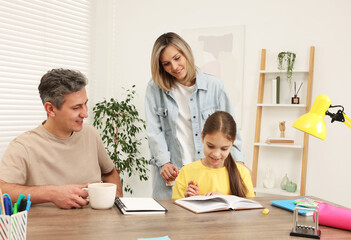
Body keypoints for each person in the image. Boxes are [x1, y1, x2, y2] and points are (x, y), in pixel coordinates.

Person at [0, 68, 123, 209]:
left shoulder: (91, 135)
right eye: (76, 107)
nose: (85, 113)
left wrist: (117, 200)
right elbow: (2, 191)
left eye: (85, 104)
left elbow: (109, 173)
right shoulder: (23, 146)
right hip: (49, 229)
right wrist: (51, 193)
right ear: (50, 109)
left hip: (94, 227)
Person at [145, 32, 244, 199]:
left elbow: (230, 128)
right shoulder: (155, 89)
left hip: (208, 171)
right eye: (166, 64)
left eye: (177, 58)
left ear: (186, 52)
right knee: (171, 223)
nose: (174, 67)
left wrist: (239, 163)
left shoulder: (214, 86)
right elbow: (154, 130)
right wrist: (164, 163)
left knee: (209, 222)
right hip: (173, 174)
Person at [172, 111, 254, 199]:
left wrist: (225, 200)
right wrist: (190, 200)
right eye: (210, 146)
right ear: (202, 137)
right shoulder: (186, 172)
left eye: (224, 149)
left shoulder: (242, 173)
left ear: (233, 142)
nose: (216, 154)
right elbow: (176, 210)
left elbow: (251, 210)